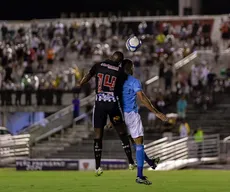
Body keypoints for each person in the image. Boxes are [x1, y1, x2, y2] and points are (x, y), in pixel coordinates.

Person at [80, 51, 134, 176]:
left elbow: (87, 76)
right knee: (122, 132)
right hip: (113, 104)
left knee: (98, 136)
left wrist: (81, 82)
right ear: (120, 62)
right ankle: (131, 162)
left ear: (110, 57)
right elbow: (124, 88)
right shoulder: (120, 72)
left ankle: (98, 167)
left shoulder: (98, 65)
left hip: (99, 104)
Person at [122, 59, 168, 185]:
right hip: (131, 115)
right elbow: (142, 98)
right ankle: (140, 176)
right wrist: (156, 112)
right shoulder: (133, 81)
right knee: (139, 144)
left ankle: (151, 162)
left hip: (120, 116)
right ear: (130, 69)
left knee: (135, 143)